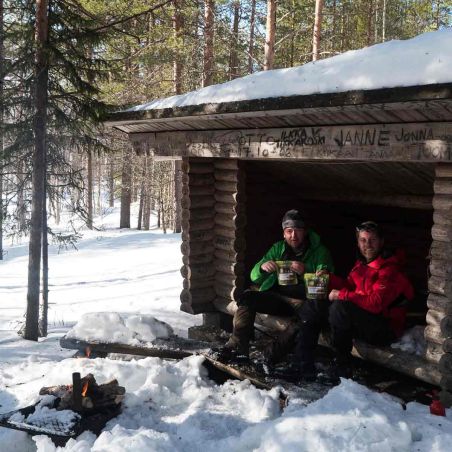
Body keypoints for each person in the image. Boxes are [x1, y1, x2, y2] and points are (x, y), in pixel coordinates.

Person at [296, 220, 414, 381]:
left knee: (340, 307)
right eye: (363, 240)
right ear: (358, 243)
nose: (368, 244)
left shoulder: (389, 269)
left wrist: (342, 295)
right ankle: (303, 364)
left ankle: (342, 365)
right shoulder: (361, 264)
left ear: (381, 242)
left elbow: (376, 303)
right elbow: (349, 286)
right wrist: (328, 278)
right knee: (315, 304)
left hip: (385, 327)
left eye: (372, 240)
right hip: (364, 320)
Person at [217, 209, 334, 363]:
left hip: (303, 301)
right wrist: (262, 267)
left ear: (305, 231)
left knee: (304, 319)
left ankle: (270, 355)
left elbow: (324, 284)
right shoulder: (279, 248)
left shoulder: (320, 252)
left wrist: (306, 271)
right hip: (277, 297)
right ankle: (238, 347)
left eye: (298, 230)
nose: (293, 236)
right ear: (284, 233)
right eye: (289, 231)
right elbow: (254, 276)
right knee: (247, 297)